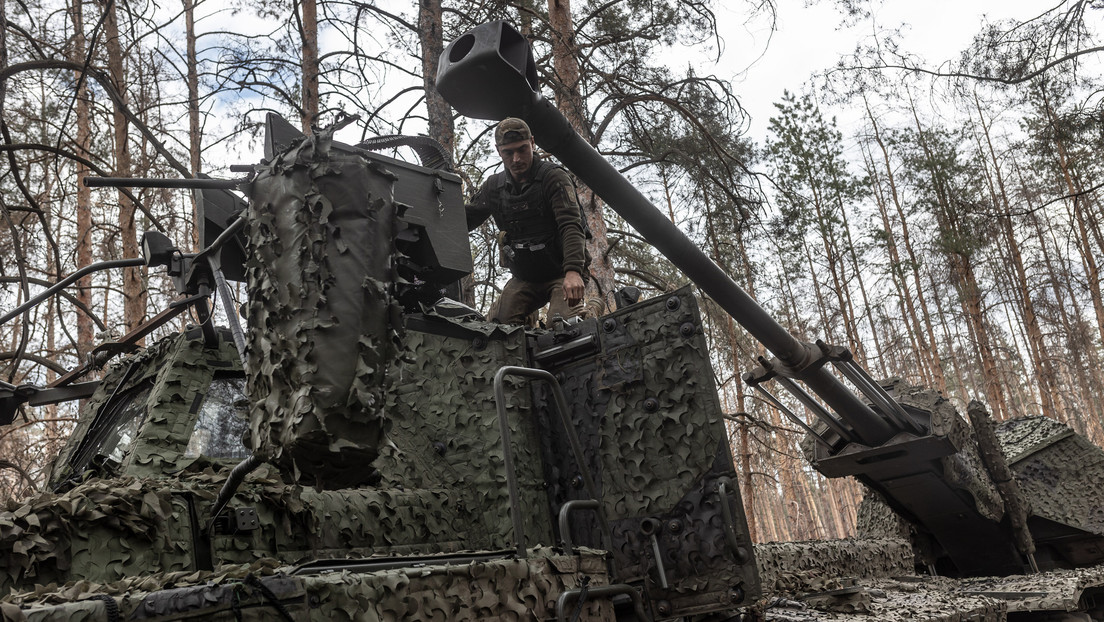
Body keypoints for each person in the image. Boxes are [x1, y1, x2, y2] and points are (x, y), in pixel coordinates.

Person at [466, 118, 590, 325]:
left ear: (532, 143)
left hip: (561, 272)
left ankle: (593, 308)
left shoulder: (553, 178)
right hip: (526, 277)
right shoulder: (494, 188)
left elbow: (571, 225)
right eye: (508, 152)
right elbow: (465, 219)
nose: (516, 159)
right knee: (497, 328)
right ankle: (529, 322)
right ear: (499, 151)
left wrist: (573, 271)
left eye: (522, 149)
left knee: (565, 326)